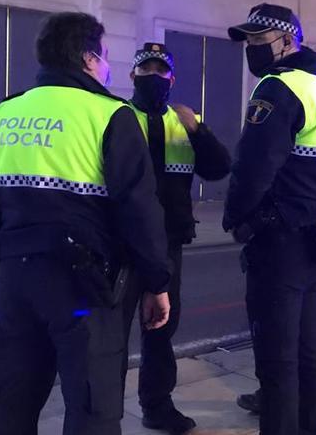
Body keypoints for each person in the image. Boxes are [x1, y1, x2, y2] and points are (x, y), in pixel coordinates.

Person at [0, 12, 171, 435]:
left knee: (12, 403)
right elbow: (139, 209)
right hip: (85, 285)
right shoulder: (109, 115)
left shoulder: (2, 114)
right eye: (105, 56)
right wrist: (157, 281)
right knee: (92, 408)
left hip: (17, 281)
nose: (107, 65)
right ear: (88, 59)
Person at [225, 3, 316, 435]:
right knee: (312, 358)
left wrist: (238, 219)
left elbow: (252, 167)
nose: (250, 48)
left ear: (288, 41)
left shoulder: (276, 88)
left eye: (258, 40)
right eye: (247, 40)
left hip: (282, 244)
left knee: (278, 361)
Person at [122, 43, 231, 434]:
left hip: (167, 242)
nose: (154, 75)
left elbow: (220, 168)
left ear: (172, 78)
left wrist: (198, 130)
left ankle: (156, 405)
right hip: (122, 244)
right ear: (132, 75)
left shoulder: (184, 121)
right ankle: (103, 411)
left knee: (160, 329)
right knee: (112, 334)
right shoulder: (117, 117)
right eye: (146, 69)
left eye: (161, 70)